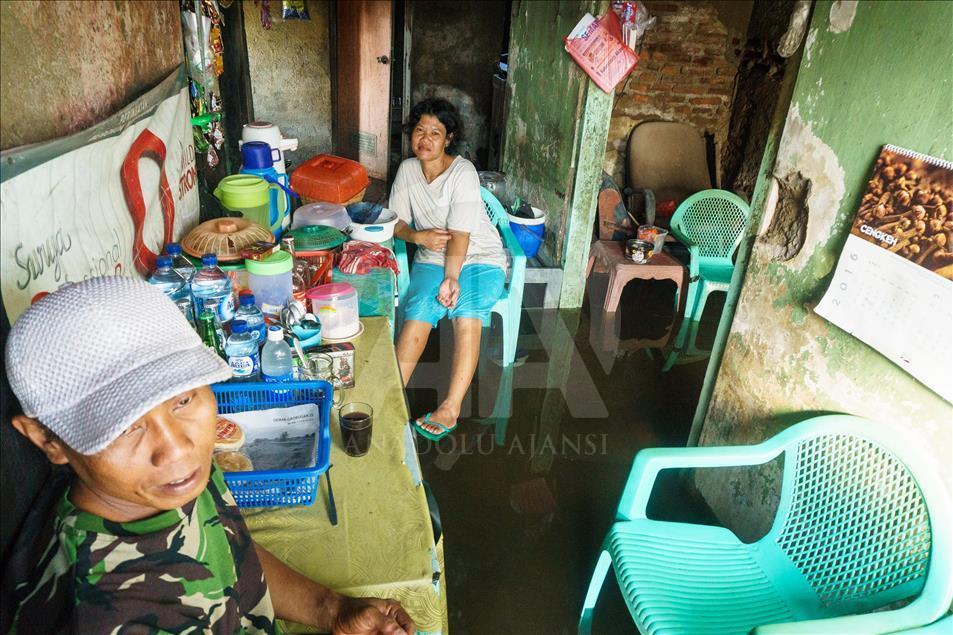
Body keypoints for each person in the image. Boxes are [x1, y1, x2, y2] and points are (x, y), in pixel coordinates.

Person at [2, 276, 416, 634]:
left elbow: (228, 548)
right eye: (125, 426)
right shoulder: (111, 615)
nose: (179, 447)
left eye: (183, 399)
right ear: (46, 440)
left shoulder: (161, 483)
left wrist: (331, 608)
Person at [389, 98, 507, 441]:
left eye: (435, 133)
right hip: (431, 257)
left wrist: (452, 278)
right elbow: (396, 222)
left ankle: (450, 408)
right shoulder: (408, 170)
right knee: (419, 311)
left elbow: (461, 235)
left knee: (466, 311)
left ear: (448, 138)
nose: (425, 139)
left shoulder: (463, 172)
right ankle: (391, 398)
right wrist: (416, 236)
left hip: (479, 256)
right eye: (420, 131)